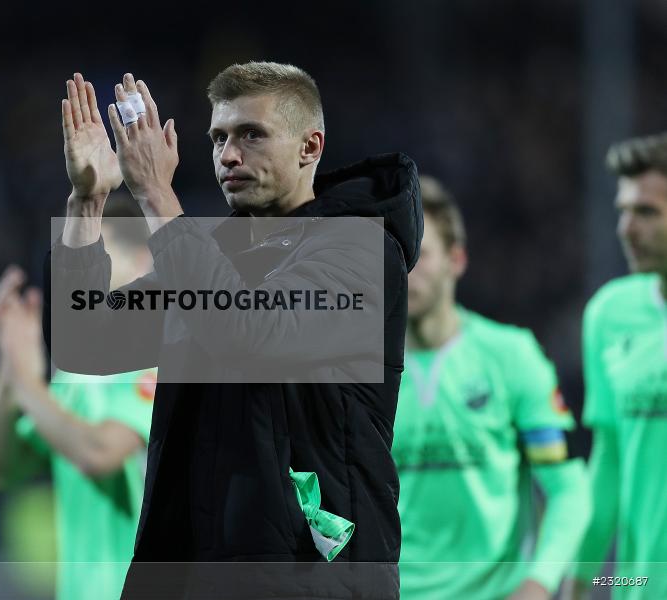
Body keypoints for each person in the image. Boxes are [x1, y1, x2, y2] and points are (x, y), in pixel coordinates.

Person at [46, 63, 422, 598]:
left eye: (251, 135)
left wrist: (155, 192)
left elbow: (247, 330)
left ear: (310, 147)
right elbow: (85, 340)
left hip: (312, 577)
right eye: (218, 138)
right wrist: (87, 201)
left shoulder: (359, 251)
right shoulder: (212, 256)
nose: (228, 155)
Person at [393, 176, 591, 600]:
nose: (403, 269)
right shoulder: (354, 373)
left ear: (456, 260)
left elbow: (569, 489)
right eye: (392, 255)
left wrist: (539, 582)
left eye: (418, 254)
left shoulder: (511, 357)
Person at [0, 195, 156, 600]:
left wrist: (26, 382)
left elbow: (98, 452)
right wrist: (10, 361)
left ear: (143, 263)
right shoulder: (75, 379)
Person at [569, 132, 667, 600]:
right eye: (623, 211)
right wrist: (579, 578)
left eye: (646, 212)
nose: (627, 229)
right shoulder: (609, 314)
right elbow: (607, 461)